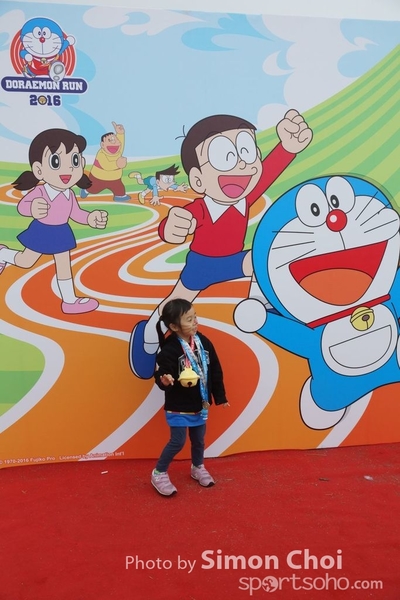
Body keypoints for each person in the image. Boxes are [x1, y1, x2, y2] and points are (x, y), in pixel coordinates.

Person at [130, 109, 312, 378]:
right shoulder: (201, 209)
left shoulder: (245, 197)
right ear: (198, 179)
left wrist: (287, 147)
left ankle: (261, 305)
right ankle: (146, 337)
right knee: (174, 305)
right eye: (224, 157)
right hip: (201, 266)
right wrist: (171, 227)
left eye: (247, 152)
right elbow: (177, 222)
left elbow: (269, 172)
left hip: (233, 260)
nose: (241, 165)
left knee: (262, 258)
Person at [0, 128, 108, 314]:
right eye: (56, 162)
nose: (68, 169)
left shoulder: (69, 194)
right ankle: (3, 254)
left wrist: (90, 218)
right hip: (41, 231)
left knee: (64, 266)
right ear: (38, 170)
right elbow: (22, 206)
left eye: (74, 161)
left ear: (82, 164)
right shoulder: (40, 191)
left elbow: (76, 214)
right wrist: (32, 208)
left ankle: (69, 301)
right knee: (25, 261)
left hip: (61, 233)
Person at [151, 298, 230, 496]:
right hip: (178, 406)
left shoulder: (204, 342)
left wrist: (220, 396)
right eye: (189, 319)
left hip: (200, 404)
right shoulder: (170, 349)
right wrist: (164, 380)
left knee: (199, 440)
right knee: (177, 442)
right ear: (174, 326)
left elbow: (216, 370)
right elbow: (161, 373)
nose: (195, 322)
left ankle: (197, 467)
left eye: (195, 317)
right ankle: (159, 473)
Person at [81, 121, 130, 202]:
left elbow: (121, 143)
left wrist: (120, 133)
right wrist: (117, 164)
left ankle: (119, 196)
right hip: (98, 178)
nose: (114, 142)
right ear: (102, 145)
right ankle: (86, 190)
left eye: (116, 140)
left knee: (119, 189)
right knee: (93, 189)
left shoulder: (118, 152)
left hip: (115, 178)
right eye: (110, 140)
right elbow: (106, 165)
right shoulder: (101, 154)